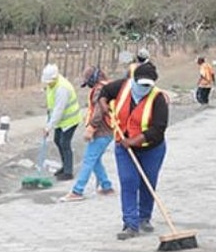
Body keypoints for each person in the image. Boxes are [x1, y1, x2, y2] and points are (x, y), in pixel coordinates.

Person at [99, 62, 169, 240]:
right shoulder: (122, 86)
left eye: (148, 85)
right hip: (124, 147)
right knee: (129, 181)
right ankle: (130, 224)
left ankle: (144, 217)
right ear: (134, 80)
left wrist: (135, 140)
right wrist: (103, 104)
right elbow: (105, 92)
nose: (144, 88)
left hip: (151, 149)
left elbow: (158, 128)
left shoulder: (158, 99)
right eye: (141, 84)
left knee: (148, 183)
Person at [60, 66, 116, 202]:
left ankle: (77, 190)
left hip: (102, 130)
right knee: (95, 159)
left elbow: (99, 110)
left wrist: (91, 127)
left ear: (93, 78)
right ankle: (106, 186)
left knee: (88, 160)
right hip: (109, 129)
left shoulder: (99, 90)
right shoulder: (107, 86)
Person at [41, 64, 81, 181]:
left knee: (64, 143)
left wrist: (48, 127)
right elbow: (52, 106)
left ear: (55, 77)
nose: (47, 83)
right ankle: (65, 167)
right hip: (61, 120)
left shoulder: (62, 88)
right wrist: (48, 122)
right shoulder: (51, 85)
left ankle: (68, 171)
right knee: (57, 140)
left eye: (49, 81)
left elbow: (59, 110)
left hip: (70, 120)